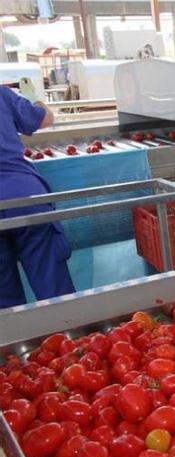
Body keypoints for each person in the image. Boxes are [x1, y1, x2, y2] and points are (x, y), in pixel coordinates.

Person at [0, 77, 75, 309]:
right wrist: (35, 99)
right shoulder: (3, 95)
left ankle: (17, 345)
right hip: (23, 197)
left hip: (18, 199)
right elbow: (44, 118)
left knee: (5, 302)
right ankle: (69, 341)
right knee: (54, 290)